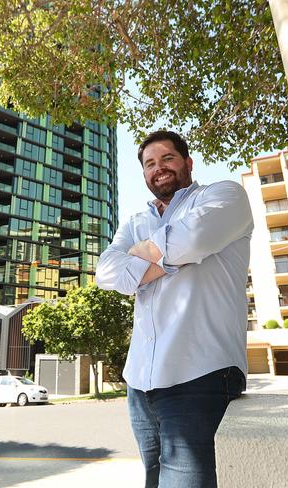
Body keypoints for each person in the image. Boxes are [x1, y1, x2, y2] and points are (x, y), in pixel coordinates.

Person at [95, 130, 253, 487]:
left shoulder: (223, 195)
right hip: (139, 383)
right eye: (150, 163)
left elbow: (193, 238)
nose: (159, 168)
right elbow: (106, 273)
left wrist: (137, 265)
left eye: (167, 158)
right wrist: (172, 260)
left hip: (201, 374)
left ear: (187, 163)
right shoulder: (135, 222)